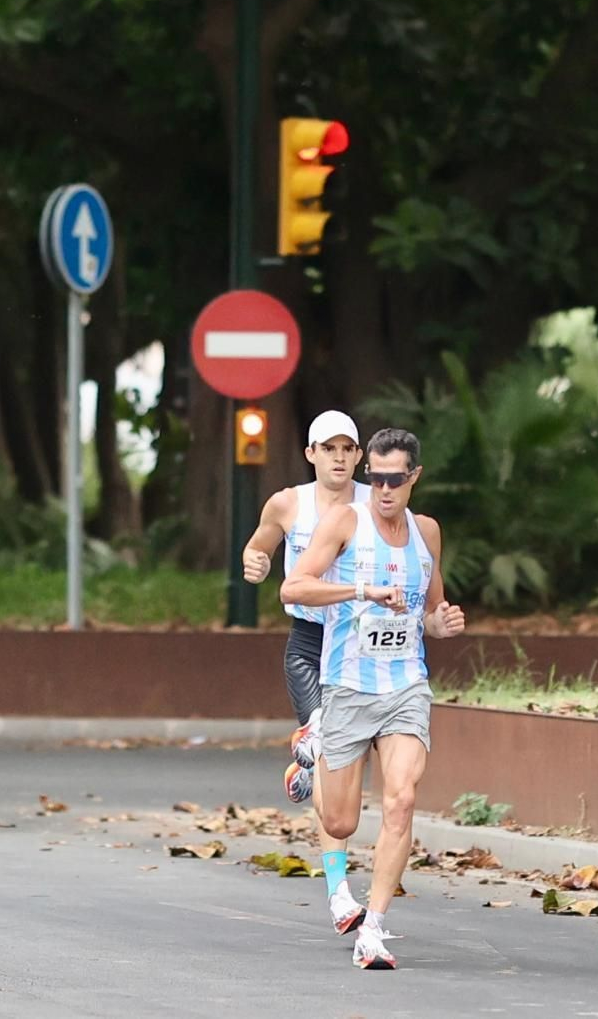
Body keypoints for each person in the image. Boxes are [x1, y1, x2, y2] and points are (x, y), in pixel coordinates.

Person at [281, 427, 466, 970]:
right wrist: (360, 590)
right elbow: (295, 587)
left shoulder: (426, 532)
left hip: (406, 686)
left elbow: (430, 611)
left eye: (394, 479)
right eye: (375, 478)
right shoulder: (345, 523)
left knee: (402, 799)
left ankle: (375, 929)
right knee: (340, 823)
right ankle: (313, 757)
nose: (382, 489)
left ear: (414, 478)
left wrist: (442, 622)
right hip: (348, 684)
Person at [241, 410, 371, 936]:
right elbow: (258, 545)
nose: (339, 457)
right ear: (311, 454)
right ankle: (338, 893)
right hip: (310, 647)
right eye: (329, 448)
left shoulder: (374, 505)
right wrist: (256, 562)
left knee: (336, 769)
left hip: (359, 650)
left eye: (348, 448)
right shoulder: (288, 502)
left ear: (359, 456)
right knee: (327, 754)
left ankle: (307, 765)